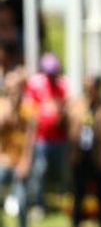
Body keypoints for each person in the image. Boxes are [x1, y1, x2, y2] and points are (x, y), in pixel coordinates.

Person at [67, 75, 101, 227]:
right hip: (80, 159)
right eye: (85, 86)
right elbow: (66, 125)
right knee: (78, 199)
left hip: (99, 160)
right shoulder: (77, 106)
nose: (88, 89)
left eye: (91, 86)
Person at [25, 52, 69, 218]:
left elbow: (67, 105)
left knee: (64, 173)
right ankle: (38, 204)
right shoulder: (36, 84)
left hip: (60, 138)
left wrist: (60, 113)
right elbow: (29, 108)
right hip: (41, 138)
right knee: (39, 171)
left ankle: (66, 204)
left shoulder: (63, 84)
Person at [0, 69, 35, 227]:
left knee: (21, 204)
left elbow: (30, 142)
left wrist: (25, 163)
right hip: (2, 162)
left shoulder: (29, 110)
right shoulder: (2, 106)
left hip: (19, 163)